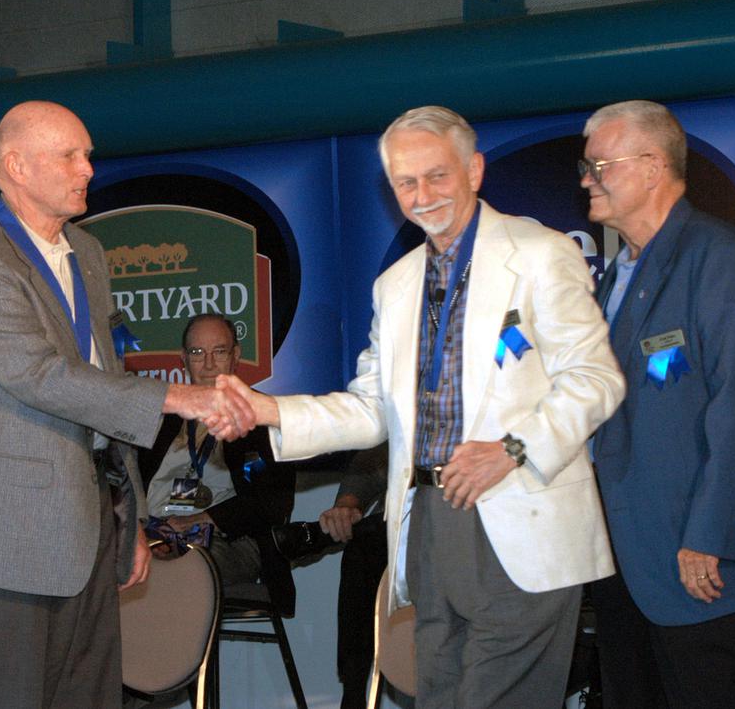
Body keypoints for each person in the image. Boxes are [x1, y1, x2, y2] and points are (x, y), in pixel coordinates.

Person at [222, 105, 625, 708]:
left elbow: (597, 378)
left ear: (475, 169)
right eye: (406, 182)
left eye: (437, 175)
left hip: (522, 519)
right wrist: (267, 412)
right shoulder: (398, 283)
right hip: (429, 523)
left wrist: (512, 450)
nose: (423, 194)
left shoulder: (539, 253)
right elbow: (370, 408)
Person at [0, 100, 254, 708]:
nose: (87, 169)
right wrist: (176, 396)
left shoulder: (88, 253)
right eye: (70, 155)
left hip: (89, 531)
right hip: (12, 539)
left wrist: (127, 518)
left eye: (88, 155)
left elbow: (102, 384)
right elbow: (40, 376)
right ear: (17, 167)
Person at [580, 99, 735, 709]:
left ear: (653, 167)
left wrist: (709, 535)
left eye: (599, 164)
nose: (587, 178)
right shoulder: (613, 277)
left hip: (709, 563)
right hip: (630, 568)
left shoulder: (719, 258)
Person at [138, 314, 296, 612]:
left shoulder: (263, 417)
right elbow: (126, 483)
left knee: (176, 570)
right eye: (198, 353)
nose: (209, 364)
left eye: (219, 352)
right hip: (154, 535)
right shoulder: (160, 419)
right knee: (115, 565)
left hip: (228, 540)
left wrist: (204, 520)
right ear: (183, 360)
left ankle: (179, 659)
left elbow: (273, 503)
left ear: (235, 356)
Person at [273, 444, 388, 709]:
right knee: (362, 549)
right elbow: (376, 457)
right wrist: (348, 503)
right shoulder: (416, 408)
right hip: (391, 531)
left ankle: (312, 536)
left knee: (367, 538)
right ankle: (353, 690)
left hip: (461, 527)